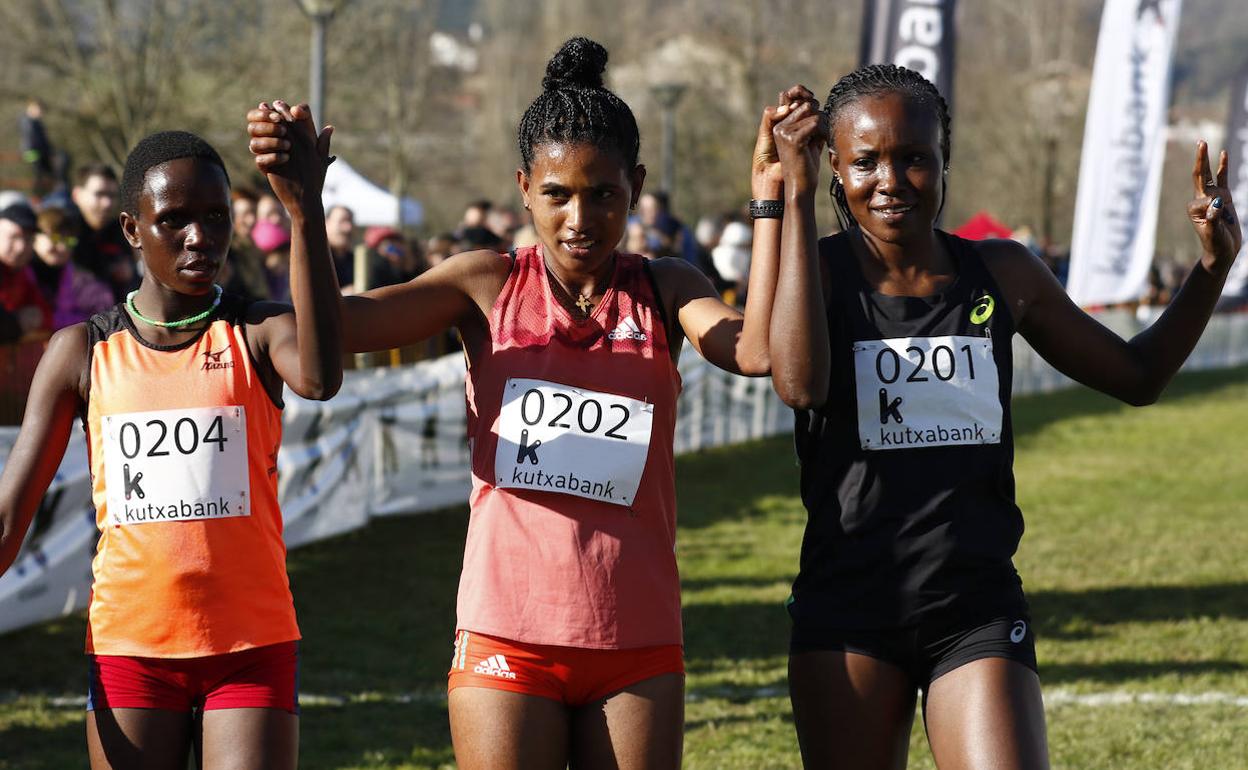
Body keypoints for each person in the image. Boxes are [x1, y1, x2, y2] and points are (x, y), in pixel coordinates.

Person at [248, 38, 806, 769]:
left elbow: (757, 352)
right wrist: (304, 213)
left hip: (633, 640)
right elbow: (340, 330)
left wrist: (771, 198)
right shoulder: (485, 284)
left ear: (635, 185)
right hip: (506, 634)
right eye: (558, 195)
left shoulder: (666, 287)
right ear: (523, 188)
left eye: (603, 194)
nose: (581, 218)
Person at [767, 63, 1242, 769]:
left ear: (944, 160)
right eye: (865, 161)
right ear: (833, 165)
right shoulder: (815, 272)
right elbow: (799, 386)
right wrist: (795, 203)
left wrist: (1209, 270)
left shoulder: (1004, 274)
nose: (890, 179)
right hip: (848, 613)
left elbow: (1138, 376)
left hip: (974, 607)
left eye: (914, 158)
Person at [0, 112, 343, 770]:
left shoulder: (258, 330)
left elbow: (323, 378)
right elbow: (11, 517)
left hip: (251, 642)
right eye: (175, 220)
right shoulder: (82, 351)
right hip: (131, 647)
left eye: (216, 218)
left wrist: (305, 214)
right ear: (131, 229)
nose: (199, 238)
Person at [30, 206, 114, 328]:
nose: (63, 247)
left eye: (69, 241)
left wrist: (51, 321)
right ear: (34, 236)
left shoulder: (83, 282)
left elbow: (101, 319)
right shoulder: (18, 274)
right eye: (55, 238)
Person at [70, 163, 135, 301]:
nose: (107, 203)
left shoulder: (123, 231)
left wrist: (129, 273)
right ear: (76, 195)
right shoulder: (65, 233)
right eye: (99, 194)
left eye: (112, 195)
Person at [0, 202, 52, 336]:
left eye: (28, 239)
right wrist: (16, 322)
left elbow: (45, 315)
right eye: (14, 237)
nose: (21, 247)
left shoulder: (23, 273)